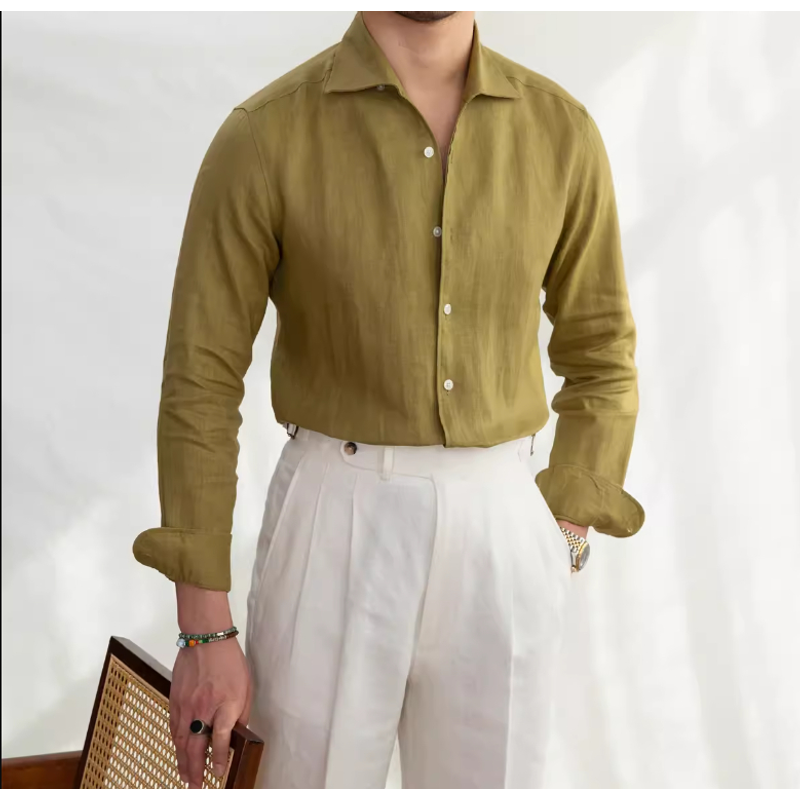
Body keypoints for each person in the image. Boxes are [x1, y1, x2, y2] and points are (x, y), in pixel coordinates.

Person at [133, 10, 644, 790]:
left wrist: (563, 532)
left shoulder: (561, 133)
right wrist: (203, 629)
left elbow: (602, 352)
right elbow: (200, 380)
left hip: (504, 526)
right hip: (333, 519)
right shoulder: (265, 135)